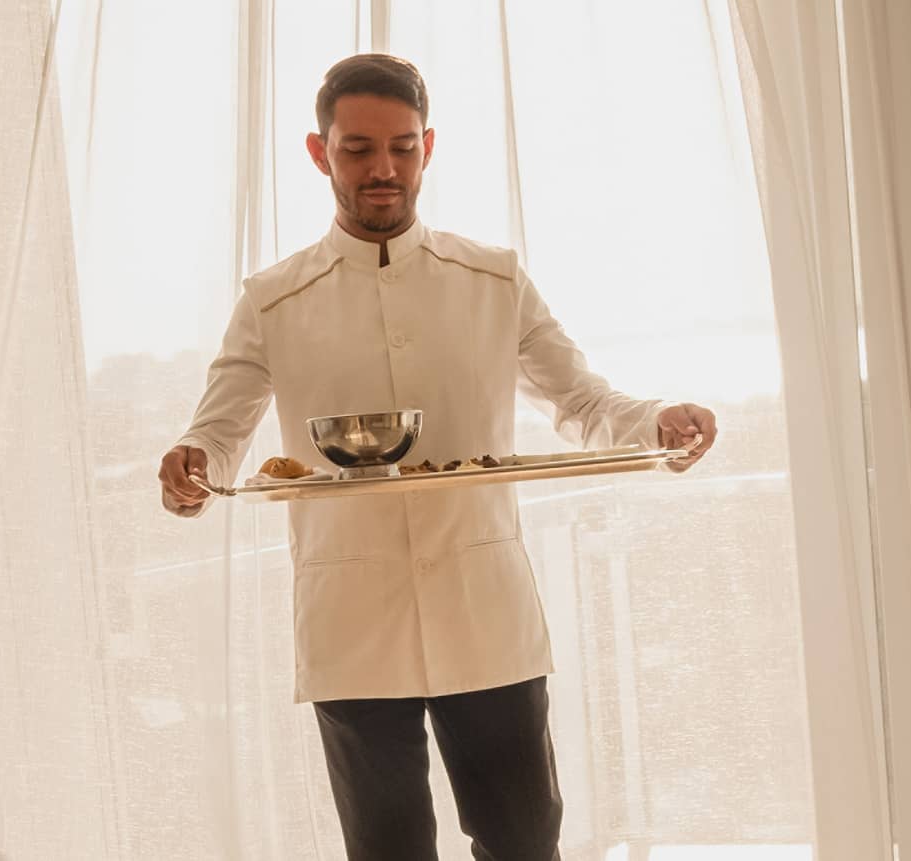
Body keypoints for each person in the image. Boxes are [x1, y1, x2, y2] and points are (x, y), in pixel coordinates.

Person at [157, 53, 717, 860]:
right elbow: (218, 426)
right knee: (386, 850)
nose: (383, 169)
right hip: (352, 620)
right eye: (357, 149)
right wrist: (190, 464)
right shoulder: (272, 300)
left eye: (403, 147)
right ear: (320, 152)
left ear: (428, 147)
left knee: (524, 841)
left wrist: (659, 420)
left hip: (483, 607)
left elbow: (586, 403)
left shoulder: (493, 280)